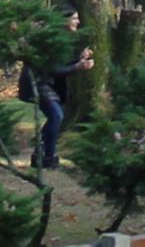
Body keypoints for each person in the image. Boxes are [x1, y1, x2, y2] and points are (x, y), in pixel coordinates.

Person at [19, 10, 92, 170]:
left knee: (56, 116)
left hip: (46, 84)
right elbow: (52, 68)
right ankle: (48, 157)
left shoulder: (60, 37)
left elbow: (60, 63)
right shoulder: (50, 38)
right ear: (64, 19)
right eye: (74, 18)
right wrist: (77, 67)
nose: (78, 22)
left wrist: (79, 60)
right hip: (37, 83)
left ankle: (42, 154)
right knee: (56, 115)